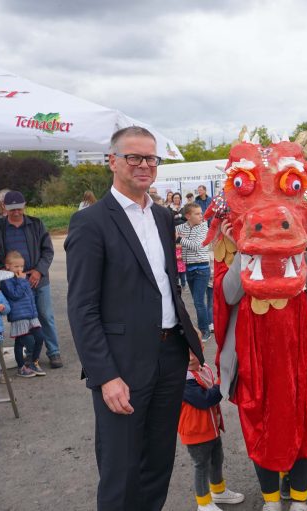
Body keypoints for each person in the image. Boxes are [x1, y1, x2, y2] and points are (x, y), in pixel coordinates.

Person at [65, 126, 204, 510]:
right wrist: (105, 375)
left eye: (151, 158)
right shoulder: (91, 222)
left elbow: (166, 286)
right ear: (113, 161)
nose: (144, 165)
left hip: (169, 356)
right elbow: (82, 307)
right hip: (121, 364)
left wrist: (187, 341)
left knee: (158, 462)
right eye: (134, 157)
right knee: (121, 469)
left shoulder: (162, 217)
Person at [0, 190, 64, 368]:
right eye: (12, 209)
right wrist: (4, 272)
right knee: (23, 317)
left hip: (38, 278)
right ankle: (30, 355)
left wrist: (38, 271)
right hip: (13, 281)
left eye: (19, 209)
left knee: (45, 315)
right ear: (4, 207)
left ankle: (54, 352)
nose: (15, 212)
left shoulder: (36, 224)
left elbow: (47, 250)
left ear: (24, 207)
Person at [179, 350, 245, 511]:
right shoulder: (182, 378)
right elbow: (204, 400)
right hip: (196, 431)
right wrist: (224, 382)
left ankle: (218, 490)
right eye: (184, 353)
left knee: (217, 459)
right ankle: (203, 503)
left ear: (201, 347)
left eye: (193, 351)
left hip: (211, 427)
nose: (190, 357)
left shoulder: (203, 368)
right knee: (201, 465)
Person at [0, 251, 48, 378]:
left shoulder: (23, 278)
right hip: (19, 316)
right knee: (22, 342)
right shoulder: (6, 280)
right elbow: (15, 295)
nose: (20, 269)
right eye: (16, 266)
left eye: (21, 266)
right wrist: (22, 281)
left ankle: (33, 362)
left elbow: (29, 295)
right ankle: (21, 367)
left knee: (39, 337)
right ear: (7, 266)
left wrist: (34, 311)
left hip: (31, 314)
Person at [176, 203, 212, 341]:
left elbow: (197, 246)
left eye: (201, 213)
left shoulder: (204, 227)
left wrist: (179, 239)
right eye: (197, 213)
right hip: (189, 268)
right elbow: (170, 231)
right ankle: (202, 327)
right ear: (187, 216)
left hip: (201, 269)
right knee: (196, 301)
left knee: (198, 302)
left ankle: (204, 331)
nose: (201, 215)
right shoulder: (181, 227)